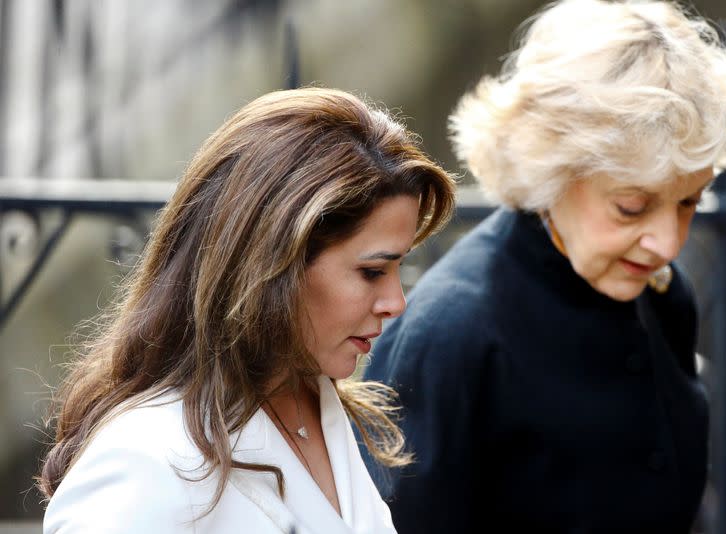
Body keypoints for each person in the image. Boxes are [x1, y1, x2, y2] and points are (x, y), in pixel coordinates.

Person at [364, 1, 726, 532]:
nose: (668, 243)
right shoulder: (449, 336)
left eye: (690, 201)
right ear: (549, 167)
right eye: (632, 206)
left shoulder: (662, 293)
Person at [38, 87, 456, 534]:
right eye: (373, 272)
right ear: (275, 266)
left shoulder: (314, 395)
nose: (397, 303)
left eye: (399, 267)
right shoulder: (143, 462)